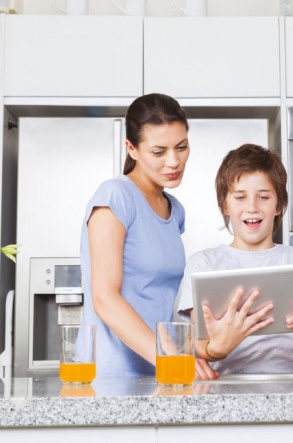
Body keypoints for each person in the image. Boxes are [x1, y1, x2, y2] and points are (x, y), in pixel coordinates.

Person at [80, 93, 214, 379]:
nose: (174, 161)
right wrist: (169, 357)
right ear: (132, 149)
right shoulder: (115, 196)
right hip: (113, 373)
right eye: (158, 152)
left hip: (159, 370)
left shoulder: (174, 210)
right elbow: (105, 298)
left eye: (181, 147)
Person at [177, 144, 293, 374]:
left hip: (292, 386)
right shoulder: (203, 264)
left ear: (279, 205)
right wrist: (218, 348)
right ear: (224, 205)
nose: (252, 207)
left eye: (264, 197)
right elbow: (201, 346)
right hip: (222, 386)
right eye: (240, 197)